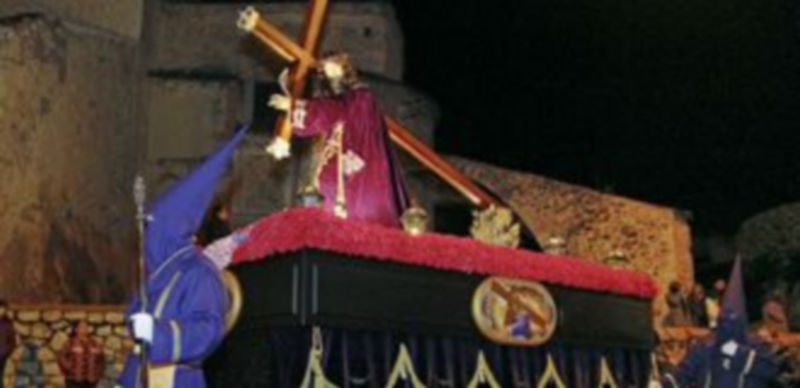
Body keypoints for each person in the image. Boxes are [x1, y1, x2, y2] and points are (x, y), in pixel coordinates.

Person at [118, 126, 248, 388]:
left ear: (173, 228)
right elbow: (138, 313)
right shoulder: (160, 272)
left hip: (176, 379)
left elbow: (208, 330)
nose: (149, 234)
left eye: (155, 226)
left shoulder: (200, 273)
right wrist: (137, 319)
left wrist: (158, 334)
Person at [267, 51, 410, 228]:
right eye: (326, 70)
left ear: (345, 70)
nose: (330, 74)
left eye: (334, 68)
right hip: (334, 160)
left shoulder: (361, 97)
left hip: (357, 165)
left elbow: (334, 111)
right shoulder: (337, 101)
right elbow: (327, 116)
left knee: (347, 206)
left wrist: (294, 105)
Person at [654, 259, 778, 388]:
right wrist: (660, 384)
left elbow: (769, 370)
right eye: (723, 322)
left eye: (732, 323)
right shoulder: (706, 348)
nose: (727, 327)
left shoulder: (756, 347)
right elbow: (683, 373)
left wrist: (738, 353)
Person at [58, 321, 105, 388]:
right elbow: (61, 357)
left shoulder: (94, 343)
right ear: (76, 329)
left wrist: (98, 373)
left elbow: (101, 359)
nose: (84, 328)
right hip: (74, 380)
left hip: (91, 380)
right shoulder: (70, 342)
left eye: (86, 327)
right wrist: (69, 368)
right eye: (82, 327)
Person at [0, 300, 16, 388]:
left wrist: (7, 352)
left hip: (2, 355)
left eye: (2, 309)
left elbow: (12, 341)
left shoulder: (7, 323)